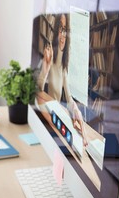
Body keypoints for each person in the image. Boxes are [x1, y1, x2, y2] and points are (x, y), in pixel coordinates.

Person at [37, 13, 87, 146]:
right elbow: (37, 93)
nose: (63, 34)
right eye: (60, 28)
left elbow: (69, 99)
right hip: (44, 119)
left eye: (65, 29)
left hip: (56, 120)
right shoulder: (48, 57)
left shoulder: (63, 69)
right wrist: (45, 70)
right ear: (55, 31)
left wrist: (75, 109)